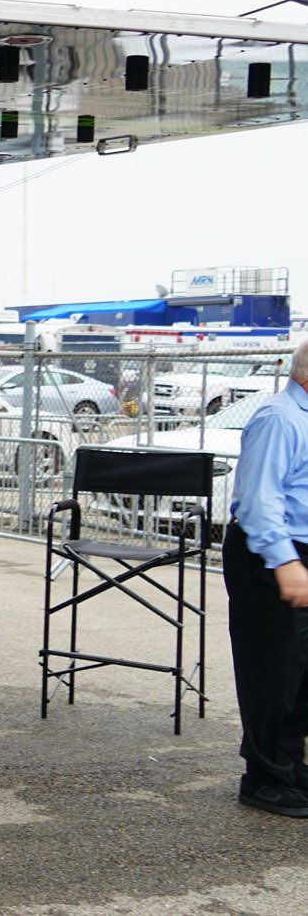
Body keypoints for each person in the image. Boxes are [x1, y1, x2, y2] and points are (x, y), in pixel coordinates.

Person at [224, 340, 308, 817]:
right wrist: (286, 563)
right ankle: (263, 778)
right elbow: (258, 502)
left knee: (301, 673)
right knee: (271, 671)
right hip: (273, 556)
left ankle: (288, 765)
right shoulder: (280, 419)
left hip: (297, 553)